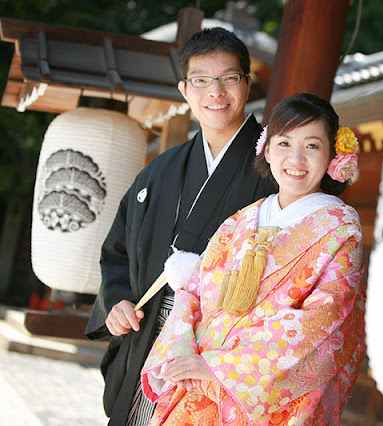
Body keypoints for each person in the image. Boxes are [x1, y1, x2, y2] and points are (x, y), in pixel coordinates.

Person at [85, 27, 276, 425]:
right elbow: (118, 251)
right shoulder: (161, 170)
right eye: (202, 80)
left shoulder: (276, 166)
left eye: (228, 78)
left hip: (220, 351)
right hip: (151, 333)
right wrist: (118, 301)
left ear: (247, 83)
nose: (216, 92)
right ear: (185, 90)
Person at [139, 93, 366, 425]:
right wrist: (182, 352)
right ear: (267, 149)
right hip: (195, 385)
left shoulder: (340, 231)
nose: (296, 158)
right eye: (284, 143)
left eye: (313, 146)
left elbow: (320, 324)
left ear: (333, 154)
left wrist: (221, 368)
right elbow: (193, 292)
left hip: (255, 398)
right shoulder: (239, 222)